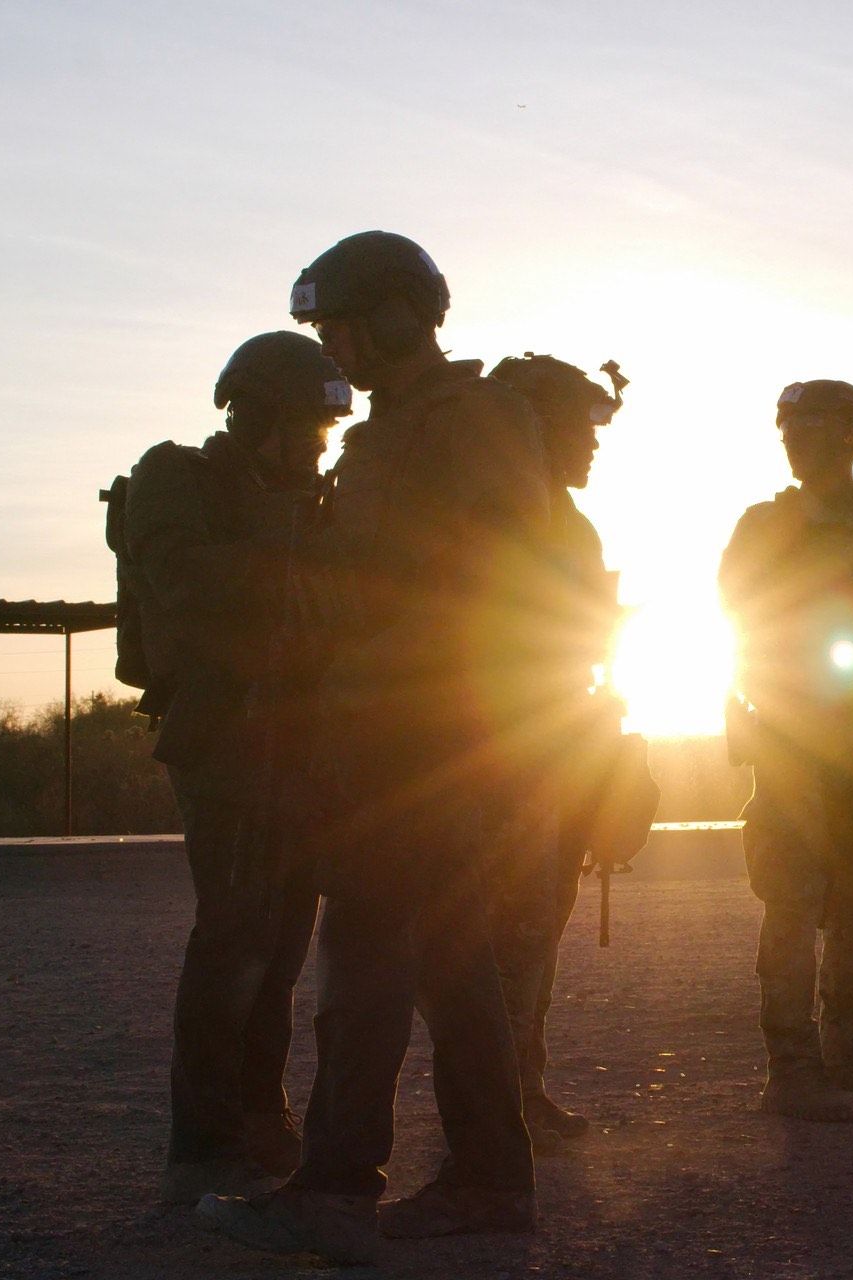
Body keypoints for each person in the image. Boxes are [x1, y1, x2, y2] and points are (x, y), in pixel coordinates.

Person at [198, 232, 546, 1266]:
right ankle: (490, 1178)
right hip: (400, 728)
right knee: (452, 960)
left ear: (399, 314)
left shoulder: (470, 423)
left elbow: (492, 580)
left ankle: (337, 1189)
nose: (332, 346)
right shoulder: (395, 432)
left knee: (364, 955)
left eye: (342, 322)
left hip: (419, 737)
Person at [122, 332, 350, 1205]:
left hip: (301, 735)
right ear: (261, 414)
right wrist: (299, 549)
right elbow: (180, 581)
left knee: (284, 942)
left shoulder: (303, 495)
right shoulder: (176, 475)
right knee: (233, 937)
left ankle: (262, 1115)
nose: (320, 445)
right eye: (310, 427)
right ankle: (203, 1143)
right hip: (222, 731)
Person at [720, 380, 853, 1121]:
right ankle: (792, 1072)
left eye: (814, 426)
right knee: (792, 901)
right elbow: (737, 611)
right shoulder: (763, 525)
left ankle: (852, 1063)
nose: (797, 438)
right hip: (789, 739)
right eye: (789, 427)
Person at [482, 353, 629, 1145]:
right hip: (504, 753)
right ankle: (490, 1107)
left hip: (564, 744)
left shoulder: (566, 520)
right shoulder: (500, 511)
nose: (593, 443)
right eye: (580, 424)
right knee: (504, 934)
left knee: (538, 927)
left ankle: (519, 1090)